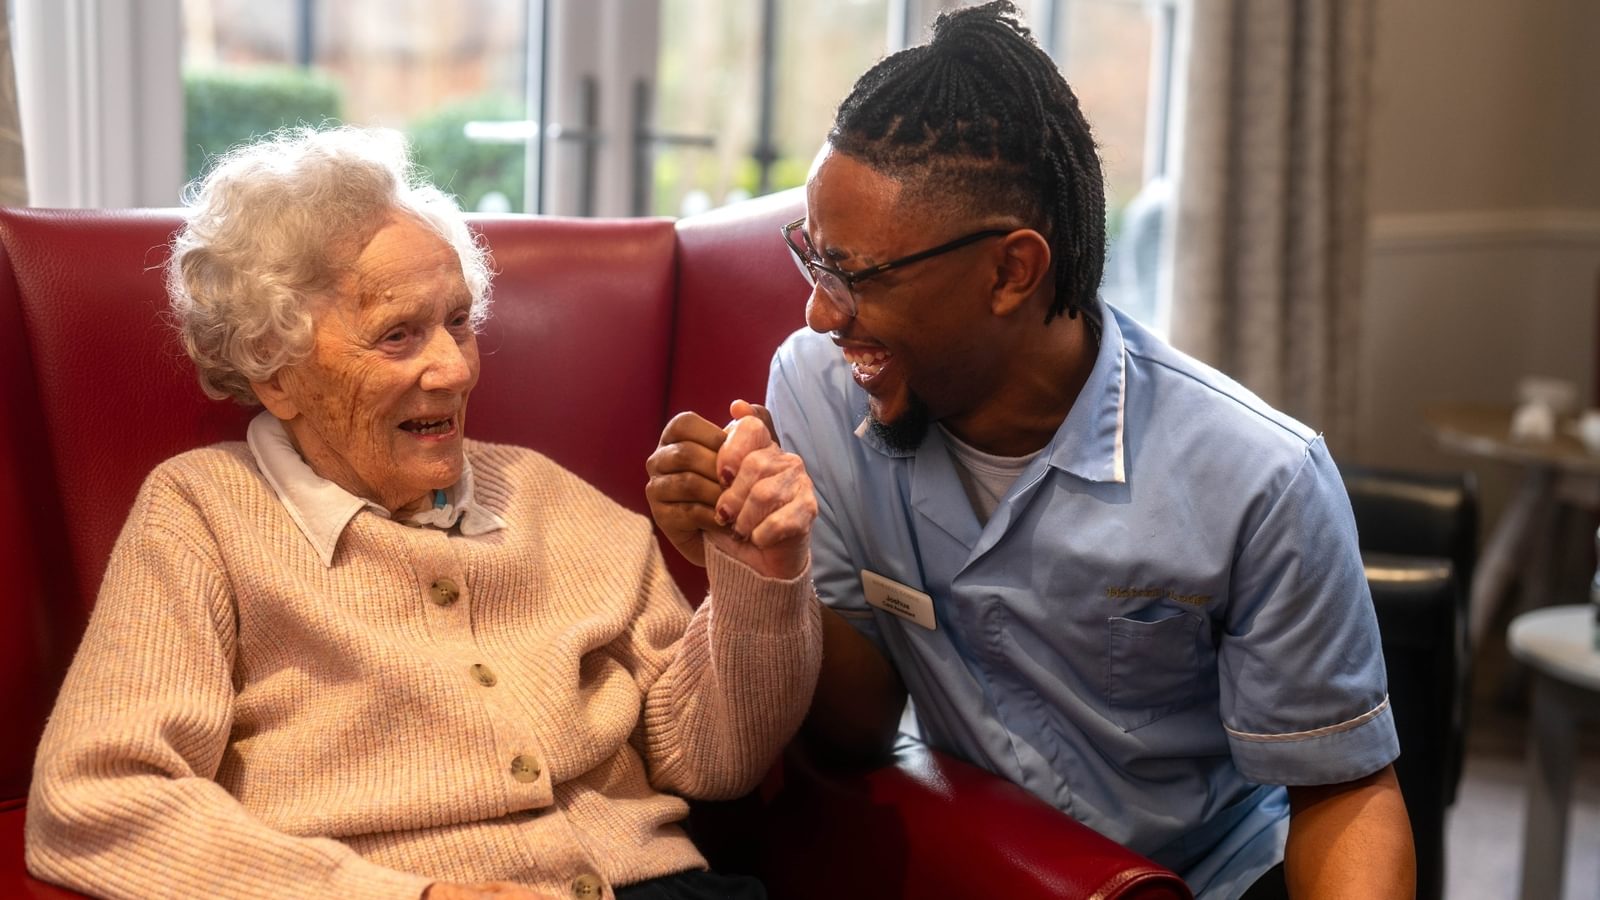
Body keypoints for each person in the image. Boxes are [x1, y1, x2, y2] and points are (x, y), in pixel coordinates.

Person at [645, 4, 1413, 898]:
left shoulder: (1258, 479)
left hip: (1204, 877)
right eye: (812, 261)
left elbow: (1345, 787)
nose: (820, 312)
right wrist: (765, 565)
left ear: (1012, 270)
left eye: (855, 276)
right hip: (973, 852)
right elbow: (855, 729)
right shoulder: (815, 392)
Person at [26, 126, 822, 900]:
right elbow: (96, 798)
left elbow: (711, 760)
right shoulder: (202, 513)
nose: (454, 368)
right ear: (274, 372)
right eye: (397, 335)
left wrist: (760, 574)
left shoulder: (548, 498)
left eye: (458, 322)